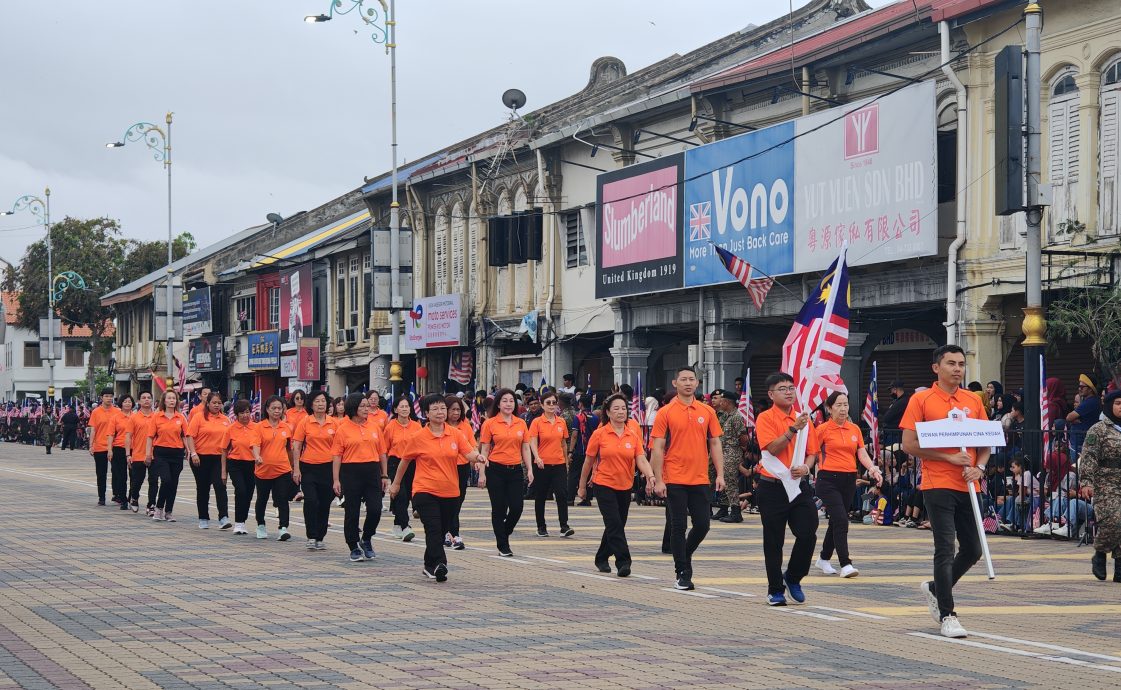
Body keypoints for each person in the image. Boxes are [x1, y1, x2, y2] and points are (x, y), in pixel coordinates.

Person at [901, 344, 990, 639]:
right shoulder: (921, 400)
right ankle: (947, 614)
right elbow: (909, 444)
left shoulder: (972, 400)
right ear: (936, 367)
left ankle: (936, 588)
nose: (957, 369)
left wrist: (979, 468)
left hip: (969, 484)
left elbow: (986, 443)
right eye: (951, 363)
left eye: (961, 364)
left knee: (974, 548)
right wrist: (948, 458)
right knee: (944, 547)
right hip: (937, 483)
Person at [391, 394, 482, 581]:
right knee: (433, 528)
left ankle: (429, 564)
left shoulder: (455, 434)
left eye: (442, 408)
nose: (440, 412)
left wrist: (478, 457)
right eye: (435, 409)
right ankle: (441, 564)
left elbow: (468, 453)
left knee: (440, 531)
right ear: (426, 413)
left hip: (451, 492)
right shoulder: (418, 437)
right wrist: (396, 484)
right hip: (425, 490)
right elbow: (404, 462)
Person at [650, 366, 724, 591]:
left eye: (692, 379)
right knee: (678, 525)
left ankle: (684, 554)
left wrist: (720, 474)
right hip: (674, 477)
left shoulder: (707, 411)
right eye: (683, 379)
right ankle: (682, 571)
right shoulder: (665, 412)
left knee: (703, 525)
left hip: (700, 477)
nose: (688, 383)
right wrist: (658, 479)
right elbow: (658, 447)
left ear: (697, 383)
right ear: (675, 383)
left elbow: (715, 442)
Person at [753, 372, 821, 606]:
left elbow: (812, 452)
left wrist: (806, 467)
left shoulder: (804, 418)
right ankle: (775, 589)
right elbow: (771, 448)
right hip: (772, 486)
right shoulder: (765, 418)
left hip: (798, 486)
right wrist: (793, 429)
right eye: (782, 389)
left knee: (808, 532)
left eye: (791, 388)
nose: (789, 392)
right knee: (774, 540)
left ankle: (793, 576)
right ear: (771, 394)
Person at [577, 393, 655, 577]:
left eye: (624, 408)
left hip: (625, 485)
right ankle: (623, 562)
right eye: (616, 409)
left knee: (618, 524)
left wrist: (650, 475)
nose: (621, 412)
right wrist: (582, 486)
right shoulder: (600, 434)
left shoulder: (632, 434)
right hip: (603, 484)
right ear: (608, 412)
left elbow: (640, 458)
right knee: (613, 523)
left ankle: (601, 557)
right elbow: (588, 462)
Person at [814, 392, 883, 577]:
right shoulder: (822, 429)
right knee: (841, 520)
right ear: (829, 408)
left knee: (836, 521)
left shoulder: (854, 429)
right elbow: (812, 452)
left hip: (848, 480)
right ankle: (846, 564)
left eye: (845, 404)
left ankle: (823, 558)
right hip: (827, 480)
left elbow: (861, 453)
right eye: (839, 405)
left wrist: (873, 469)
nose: (843, 409)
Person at [330, 392, 389, 562]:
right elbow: (337, 456)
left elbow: (382, 453)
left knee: (375, 509)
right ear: (353, 407)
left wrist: (384, 475)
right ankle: (353, 545)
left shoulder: (374, 427)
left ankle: (367, 538)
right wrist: (336, 480)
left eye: (367, 406)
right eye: (362, 406)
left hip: (372, 471)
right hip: (351, 472)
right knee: (352, 511)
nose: (366, 409)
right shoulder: (343, 429)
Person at [478, 388, 533, 557]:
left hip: (515, 470)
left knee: (517, 508)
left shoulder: (521, 423)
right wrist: (482, 473)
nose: (508, 404)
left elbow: (525, 448)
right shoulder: (490, 423)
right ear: (498, 404)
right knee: (499, 509)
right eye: (504, 401)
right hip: (495, 469)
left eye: (511, 401)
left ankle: (504, 532)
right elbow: (484, 449)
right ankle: (503, 545)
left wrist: (530, 470)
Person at [1080, 389, 1121, 582]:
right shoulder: (1099, 429)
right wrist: (1086, 482)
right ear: (1110, 405)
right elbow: (1089, 457)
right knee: (1114, 520)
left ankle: (1119, 567)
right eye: (1118, 403)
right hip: (1106, 481)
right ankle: (1100, 551)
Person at [292, 390, 336, 549]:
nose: (320, 404)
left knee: (324, 502)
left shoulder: (334, 423)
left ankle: (320, 536)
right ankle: (311, 535)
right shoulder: (305, 422)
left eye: (323, 401)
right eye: (317, 401)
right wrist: (296, 469)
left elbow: (339, 447)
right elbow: (297, 446)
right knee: (311, 500)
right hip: (308, 467)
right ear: (311, 404)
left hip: (328, 467)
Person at [528, 391, 573, 538]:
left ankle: (564, 526)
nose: (552, 405)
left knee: (561, 494)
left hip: (559, 463)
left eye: (554, 402)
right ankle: (541, 526)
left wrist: (566, 462)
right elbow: (532, 441)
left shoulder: (561, 422)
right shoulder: (537, 422)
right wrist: (537, 457)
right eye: (548, 403)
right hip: (542, 465)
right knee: (541, 496)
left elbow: (563, 443)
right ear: (542, 405)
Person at [185, 391, 232, 530]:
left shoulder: (226, 420)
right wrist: (193, 453)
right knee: (203, 488)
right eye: (214, 403)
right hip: (200, 458)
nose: (217, 405)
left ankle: (223, 517)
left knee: (220, 486)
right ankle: (203, 517)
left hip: (219, 458)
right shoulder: (199, 417)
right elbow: (190, 436)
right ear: (208, 404)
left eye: (219, 403)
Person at [254, 395, 296, 541]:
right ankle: (260, 525)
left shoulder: (286, 427)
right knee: (262, 499)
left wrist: (293, 466)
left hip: (282, 469)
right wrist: (257, 456)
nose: (277, 411)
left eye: (279, 408)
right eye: (274, 408)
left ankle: (283, 528)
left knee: (282, 498)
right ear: (267, 409)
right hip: (263, 470)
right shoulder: (259, 427)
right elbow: (255, 445)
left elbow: (289, 449)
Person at [147, 390, 189, 522]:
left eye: (174, 398)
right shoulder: (157, 416)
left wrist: (189, 450)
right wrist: (148, 454)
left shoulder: (180, 417)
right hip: (161, 453)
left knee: (173, 483)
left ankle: (169, 511)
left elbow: (185, 436)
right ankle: (159, 507)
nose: (172, 401)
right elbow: (150, 437)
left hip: (177, 453)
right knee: (166, 480)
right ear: (164, 401)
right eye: (169, 398)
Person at [384, 398, 420, 541]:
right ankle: (405, 526)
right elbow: (385, 450)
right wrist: (383, 472)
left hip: (412, 463)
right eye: (402, 406)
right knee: (401, 494)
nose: (405, 409)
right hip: (395, 463)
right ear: (395, 409)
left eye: (407, 406)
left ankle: (397, 524)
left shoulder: (417, 426)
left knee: (408, 496)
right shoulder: (390, 427)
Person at [221, 400, 260, 535]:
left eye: (247, 412)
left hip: (252, 465)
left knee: (248, 493)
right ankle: (238, 522)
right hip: (235, 463)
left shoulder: (257, 428)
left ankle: (242, 521)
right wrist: (223, 472)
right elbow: (224, 450)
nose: (245, 415)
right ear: (236, 414)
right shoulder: (230, 429)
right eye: (242, 413)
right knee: (241, 490)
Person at [711, 390, 748, 523]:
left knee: (730, 481)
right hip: (723, 452)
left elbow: (743, 437)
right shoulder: (725, 415)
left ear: (727, 402)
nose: (720, 403)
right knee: (723, 480)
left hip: (732, 452)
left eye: (722, 401)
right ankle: (723, 508)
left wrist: (741, 449)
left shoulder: (736, 416)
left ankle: (736, 511)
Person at [445, 394, 475, 550]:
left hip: (462, 467)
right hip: (445, 467)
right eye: (453, 410)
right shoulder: (440, 426)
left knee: (458, 501)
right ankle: (453, 534)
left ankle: (448, 531)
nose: (456, 413)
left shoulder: (465, 426)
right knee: (450, 501)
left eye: (458, 410)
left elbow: (472, 445)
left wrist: (477, 459)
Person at [87, 389, 117, 506]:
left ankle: (116, 494)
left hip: (114, 446)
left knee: (117, 472)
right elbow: (93, 430)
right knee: (101, 473)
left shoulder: (117, 411)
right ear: (101, 398)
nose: (109, 398)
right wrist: (91, 445)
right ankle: (102, 497)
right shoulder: (96, 412)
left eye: (111, 396)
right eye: (106, 396)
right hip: (99, 446)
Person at [126, 391, 155, 514]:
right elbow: (128, 437)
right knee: (137, 480)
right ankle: (134, 497)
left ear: (152, 400)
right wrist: (128, 454)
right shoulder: (134, 417)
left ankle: (151, 505)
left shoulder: (157, 416)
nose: (146, 400)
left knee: (153, 481)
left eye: (149, 397)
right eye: (143, 398)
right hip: (138, 454)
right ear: (138, 401)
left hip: (154, 454)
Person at [107, 396, 135, 510]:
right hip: (119, 448)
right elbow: (110, 435)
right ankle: (123, 500)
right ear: (121, 403)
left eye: (129, 402)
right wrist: (109, 450)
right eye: (125, 401)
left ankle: (132, 497)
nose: (127, 403)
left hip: (134, 449)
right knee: (121, 476)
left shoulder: (136, 416)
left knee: (135, 476)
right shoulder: (115, 417)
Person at [1067, 374, 1100, 456]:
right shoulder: (1089, 401)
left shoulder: (1089, 402)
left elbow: (1069, 417)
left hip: (1081, 444)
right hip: (1081, 442)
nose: (1079, 389)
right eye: (1079, 386)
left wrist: (1073, 419)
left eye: (1082, 387)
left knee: (1077, 464)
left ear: (1090, 389)